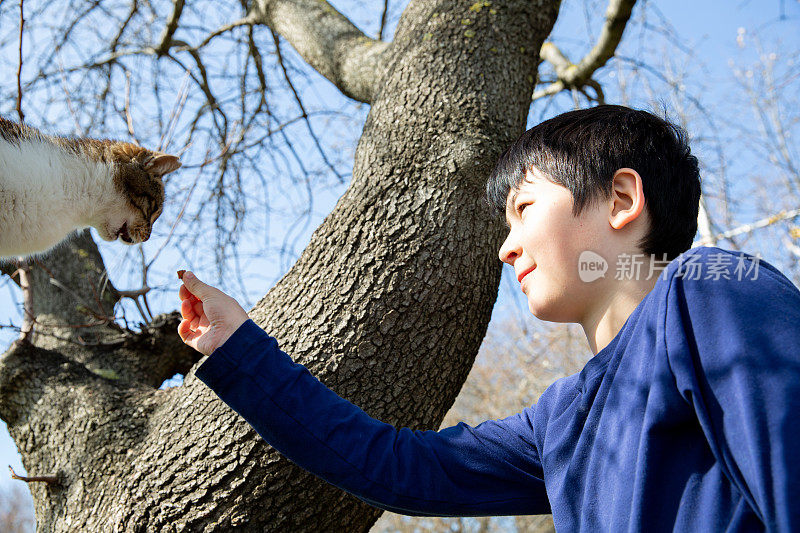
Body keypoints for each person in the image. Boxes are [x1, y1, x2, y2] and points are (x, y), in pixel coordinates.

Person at [178, 105, 800, 531]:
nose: (506, 247)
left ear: (621, 200)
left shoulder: (708, 292)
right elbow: (399, 466)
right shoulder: (560, 420)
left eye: (524, 208)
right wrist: (239, 347)